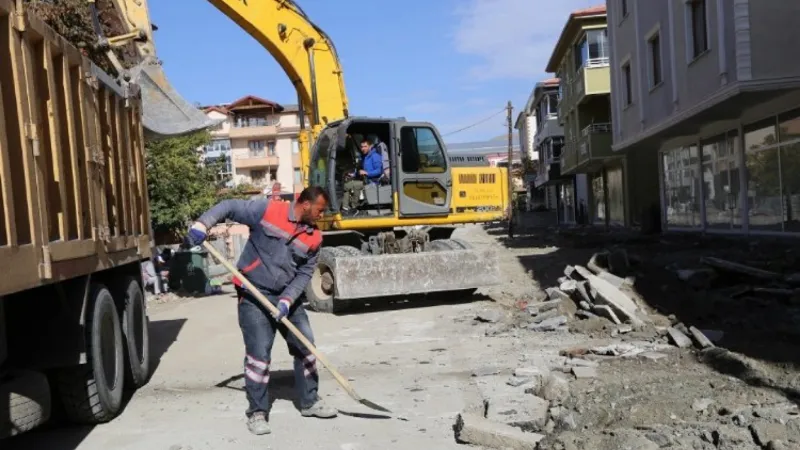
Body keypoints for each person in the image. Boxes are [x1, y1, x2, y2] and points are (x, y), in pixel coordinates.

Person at [183, 186, 336, 436]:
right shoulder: (267, 210)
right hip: (254, 293)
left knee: (306, 346)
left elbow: (305, 273)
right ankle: (257, 412)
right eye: (320, 209)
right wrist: (203, 224)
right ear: (306, 204)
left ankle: (310, 401)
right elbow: (230, 206)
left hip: (288, 296)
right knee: (258, 356)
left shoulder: (314, 238)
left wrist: (287, 300)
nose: (321, 215)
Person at [342, 138, 383, 211]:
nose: (362, 148)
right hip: (365, 180)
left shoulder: (375, 156)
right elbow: (361, 170)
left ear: (370, 146)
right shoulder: (365, 157)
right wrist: (353, 174)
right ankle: (351, 205)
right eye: (361, 146)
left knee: (349, 186)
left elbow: (379, 171)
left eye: (365, 146)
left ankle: (350, 206)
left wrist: (367, 173)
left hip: (373, 182)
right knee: (349, 184)